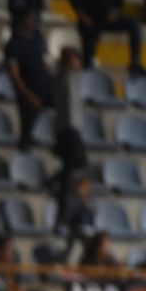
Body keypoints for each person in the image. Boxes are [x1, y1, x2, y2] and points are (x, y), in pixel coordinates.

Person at [5, 12, 52, 150]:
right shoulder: (13, 45)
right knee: (27, 122)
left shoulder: (37, 37)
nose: (32, 24)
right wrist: (27, 94)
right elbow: (14, 74)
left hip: (44, 84)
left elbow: (43, 60)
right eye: (29, 20)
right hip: (28, 89)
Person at [53, 47, 89, 216]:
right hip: (67, 128)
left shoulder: (74, 78)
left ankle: (56, 181)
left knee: (74, 164)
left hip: (73, 127)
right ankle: (62, 204)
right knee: (73, 165)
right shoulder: (63, 78)